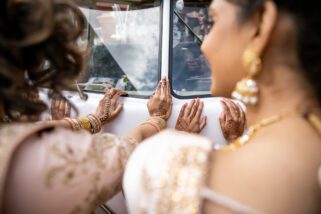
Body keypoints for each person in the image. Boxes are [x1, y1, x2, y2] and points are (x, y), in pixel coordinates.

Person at [123, 0, 321, 213]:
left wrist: (159, 121)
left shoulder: (166, 168)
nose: (203, 44)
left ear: (261, 23)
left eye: (213, 21)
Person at [0, 1, 173, 213]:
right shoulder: (46, 160)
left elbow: (31, 130)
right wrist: (157, 118)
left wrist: (94, 120)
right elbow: (124, 153)